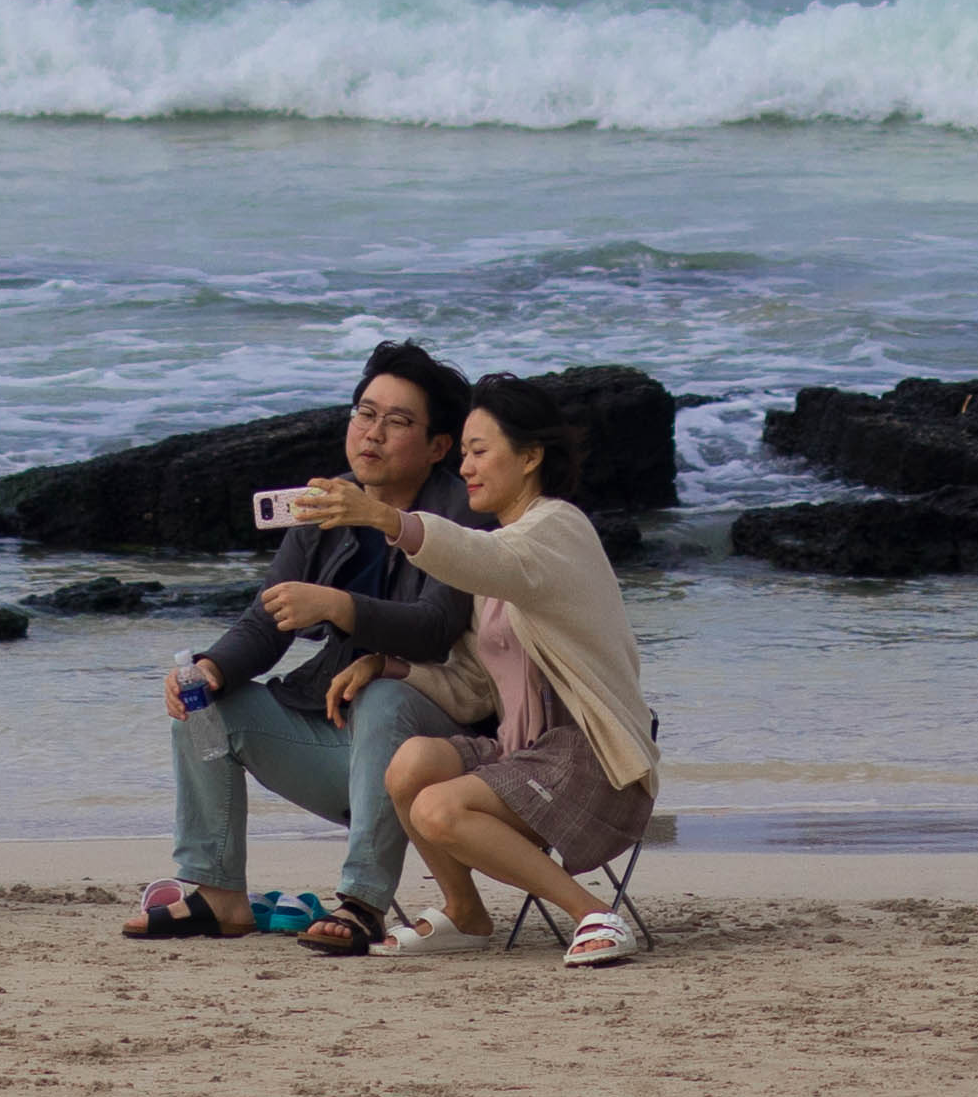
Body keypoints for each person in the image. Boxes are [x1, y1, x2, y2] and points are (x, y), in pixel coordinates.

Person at [120, 340, 483, 954]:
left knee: (384, 691)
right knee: (201, 700)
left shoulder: (462, 516)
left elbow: (435, 629)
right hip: (334, 739)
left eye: (397, 422)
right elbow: (266, 623)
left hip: (437, 750)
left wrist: (339, 607)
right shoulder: (326, 505)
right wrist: (210, 667)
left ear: (439, 446)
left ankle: (364, 901)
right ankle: (217, 891)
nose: (372, 433)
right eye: (364, 414)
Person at [303, 370, 659, 969]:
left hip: (593, 764)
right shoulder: (497, 563)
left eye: (478, 451)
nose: (465, 467)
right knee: (410, 763)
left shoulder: (557, 529)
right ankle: (465, 914)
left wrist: (388, 519)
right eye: (462, 453)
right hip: (525, 756)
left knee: (437, 809)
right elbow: (470, 689)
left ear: (529, 457)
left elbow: (487, 557)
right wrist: (385, 665)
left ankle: (592, 913)